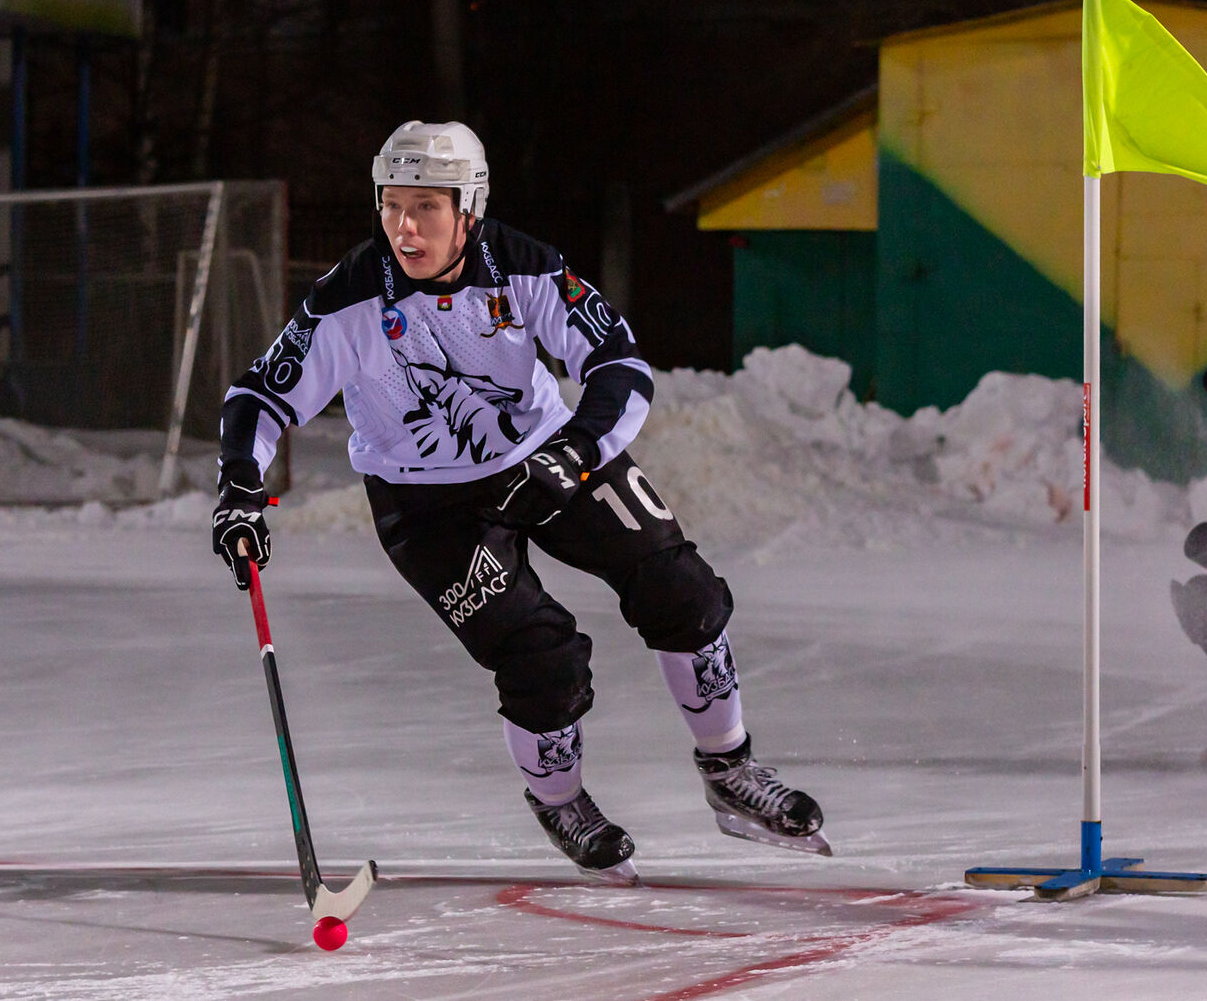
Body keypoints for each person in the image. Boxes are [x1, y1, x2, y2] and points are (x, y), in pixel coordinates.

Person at [212, 120, 828, 882]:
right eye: (392, 205)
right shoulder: (350, 298)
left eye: (426, 207)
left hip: (546, 457)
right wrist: (240, 485)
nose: (405, 228)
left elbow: (619, 362)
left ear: (469, 209)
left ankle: (731, 769)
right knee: (543, 655)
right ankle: (561, 800)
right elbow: (260, 396)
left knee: (682, 588)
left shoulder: (522, 266)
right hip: (425, 503)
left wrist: (578, 450)